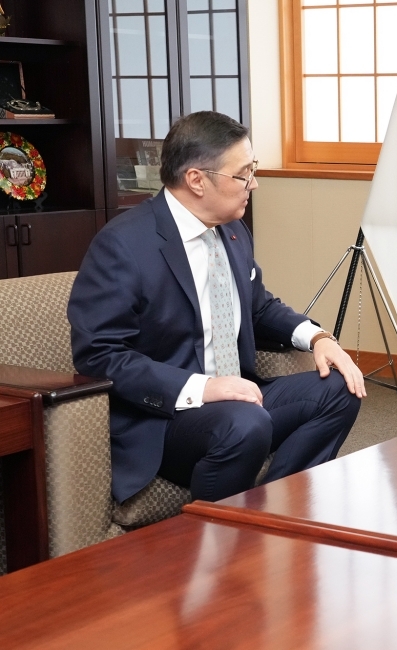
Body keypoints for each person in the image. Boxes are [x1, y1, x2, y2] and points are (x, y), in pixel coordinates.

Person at [69, 111, 366, 504]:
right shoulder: (123, 245)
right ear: (196, 180)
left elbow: (258, 308)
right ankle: (219, 531)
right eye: (243, 174)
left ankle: (275, 516)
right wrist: (205, 388)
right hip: (168, 417)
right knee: (244, 424)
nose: (254, 183)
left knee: (342, 388)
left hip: (240, 399)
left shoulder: (232, 229)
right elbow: (99, 355)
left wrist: (318, 338)